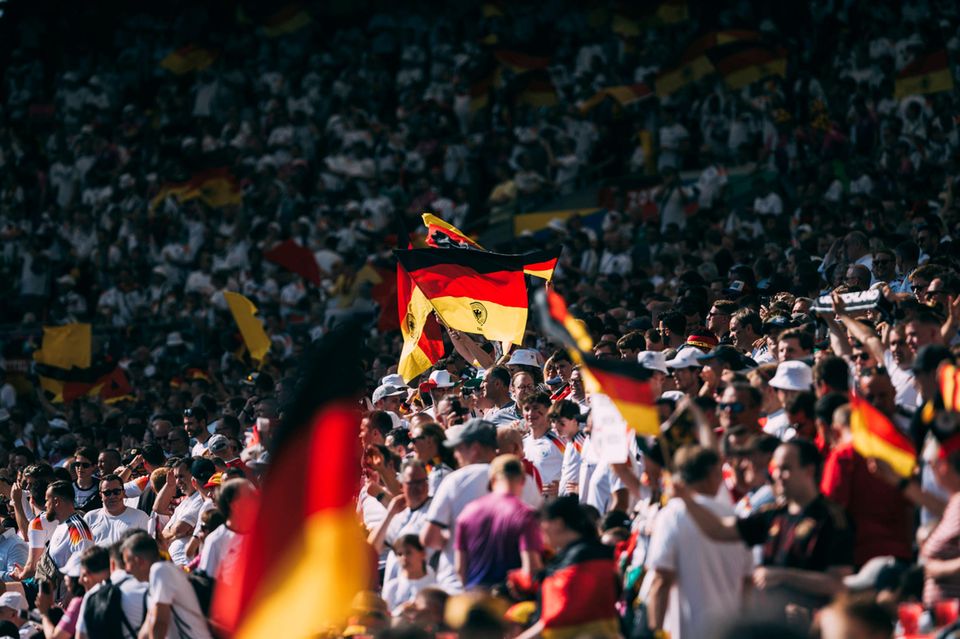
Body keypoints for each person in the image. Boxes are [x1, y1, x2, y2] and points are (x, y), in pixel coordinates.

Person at [673, 439, 854, 616]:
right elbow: (719, 530)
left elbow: (838, 583)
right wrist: (686, 500)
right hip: (774, 625)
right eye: (776, 469)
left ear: (809, 470)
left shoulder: (832, 518)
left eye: (785, 469)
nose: (777, 475)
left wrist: (784, 576)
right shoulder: (773, 515)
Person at [645, 446, 754, 639]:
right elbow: (748, 585)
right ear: (713, 474)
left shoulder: (671, 516)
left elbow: (661, 581)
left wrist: (654, 632)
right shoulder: (736, 518)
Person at [517, 496, 619, 639]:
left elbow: (559, 617)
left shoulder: (582, 559)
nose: (540, 532)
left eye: (542, 525)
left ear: (557, 524)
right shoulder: (590, 552)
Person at [420, 419, 498, 592]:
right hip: (504, 586)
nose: (455, 454)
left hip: (457, 586)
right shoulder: (520, 478)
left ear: (475, 449)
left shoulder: (454, 481)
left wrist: (455, 539)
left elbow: (428, 538)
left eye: (459, 448)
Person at [453, 455, 543, 588]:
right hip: (508, 602)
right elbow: (531, 569)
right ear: (523, 480)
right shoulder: (526, 515)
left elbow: (460, 569)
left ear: (492, 481)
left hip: (473, 600)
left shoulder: (467, 512)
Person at [122, 532, 213, 639]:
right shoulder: (156, 579)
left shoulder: (160, 571)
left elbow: (160, 623)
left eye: (127, 562)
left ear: (140, 562)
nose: (126, 570)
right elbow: (147, 628)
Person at [199, 478, 255, 582]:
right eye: (251, 496)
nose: (257, 500)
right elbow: (207, 582)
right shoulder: (215, 540)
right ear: (235, 505)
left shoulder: (260, 535)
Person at [155, 458, 204, 567]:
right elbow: (162, 535)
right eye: (176, 477)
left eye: (181, 476)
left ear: (193, 475)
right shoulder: (183, 503)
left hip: (187, 564)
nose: (177, 482)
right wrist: (169, 485)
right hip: (174, 563)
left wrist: (174, 532)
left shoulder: (200, 498)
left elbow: (179, 529)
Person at [84, 474, 150, 546]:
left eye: (116, 491)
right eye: (107, 493)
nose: (112, 496)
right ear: (101, 495)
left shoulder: (140, 517)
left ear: (123, 492)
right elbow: (83, 548)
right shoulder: (90, 517)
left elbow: (147, 547)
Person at [519, 392, 565, 494]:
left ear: (549, 411)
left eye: (535, 408)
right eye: (527, 409)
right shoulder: (522, 443)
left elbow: (581, 467)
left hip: (556, 505)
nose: (530, 413)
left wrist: (562, 487)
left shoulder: (560, 440)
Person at [45, 479, 95, 571]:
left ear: (56, 502)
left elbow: (85, 567)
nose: (45, 505)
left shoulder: (77, 528)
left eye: (47, 500)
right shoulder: (62, 525)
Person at [382, 534, 437, 615]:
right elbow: (384, 620)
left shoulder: (437, 585)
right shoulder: (391, 588)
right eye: (399, 554)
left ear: (423, 554)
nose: (404, 558)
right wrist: (400, 611)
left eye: (408, 552)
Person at [407, 422, 456, 496]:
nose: (410, 446)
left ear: (429, 441)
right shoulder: (436, 469)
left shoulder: (439, 476)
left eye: (414, 441)